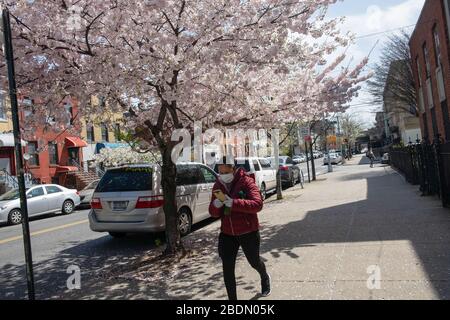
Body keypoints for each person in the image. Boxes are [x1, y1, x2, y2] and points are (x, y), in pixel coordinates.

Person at [209, 157, 271, 300]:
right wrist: (215, 206)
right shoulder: (217, 185)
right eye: (220, 171)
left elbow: (258, 204)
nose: (223, 174)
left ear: (234, 169)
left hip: (247, 231)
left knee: (254, 261)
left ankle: (264, 276)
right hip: (227, 233)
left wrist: (234, 203)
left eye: (226, 170)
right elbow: (212, 212)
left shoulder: (246, 181)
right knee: (227, 268)